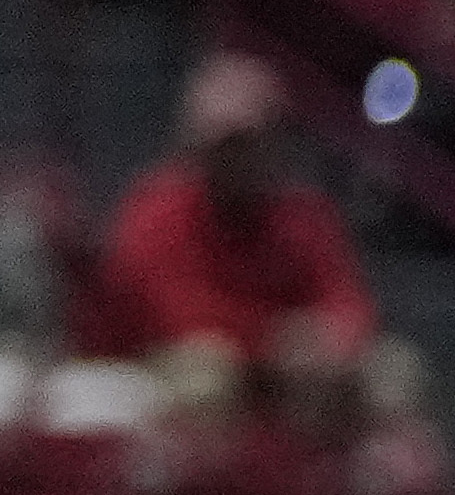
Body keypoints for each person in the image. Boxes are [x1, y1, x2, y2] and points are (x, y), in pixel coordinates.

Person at [79, 52, 394, 421]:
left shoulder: (303, 215)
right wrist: (273, 340)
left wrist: (329, 338)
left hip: (283, 370)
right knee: (206, 377)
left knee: (389, 375)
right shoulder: (154, 211)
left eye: (251, 141)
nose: (238, 158)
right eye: (227, 145)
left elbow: (348, 302)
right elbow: (170, 317)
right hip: (163, 366)